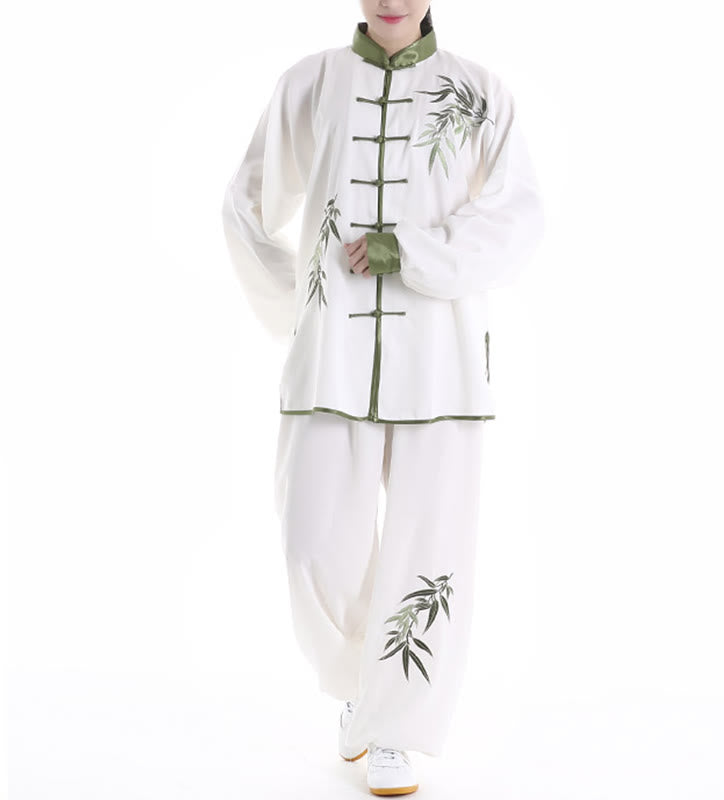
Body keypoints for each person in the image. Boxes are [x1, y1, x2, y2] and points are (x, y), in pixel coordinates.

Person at [221, 1, 545, 794]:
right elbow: (246, 205)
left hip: (439, 363)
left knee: (431, 553)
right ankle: (367, 694)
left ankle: (391, 728)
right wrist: (299, 307)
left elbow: (516, 218)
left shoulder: (480, 93)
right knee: (311, 549)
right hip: (329, 359)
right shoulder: (310, 84)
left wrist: (414, 251)